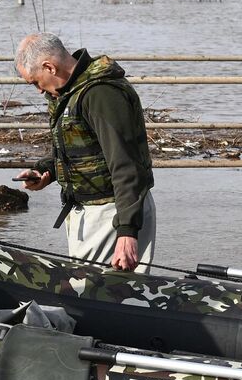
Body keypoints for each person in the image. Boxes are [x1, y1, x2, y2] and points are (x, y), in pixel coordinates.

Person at [14, 33, 156, 270]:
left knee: (96, 297)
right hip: (94, 213)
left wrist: (127, 231)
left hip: (111, 213)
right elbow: (83, 147)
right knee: (99, 298)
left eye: (35, 82)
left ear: (49, 67)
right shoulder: (71, 91)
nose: (38, 90)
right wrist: (46, 170)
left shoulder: (100, 94)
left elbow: (126, 163)